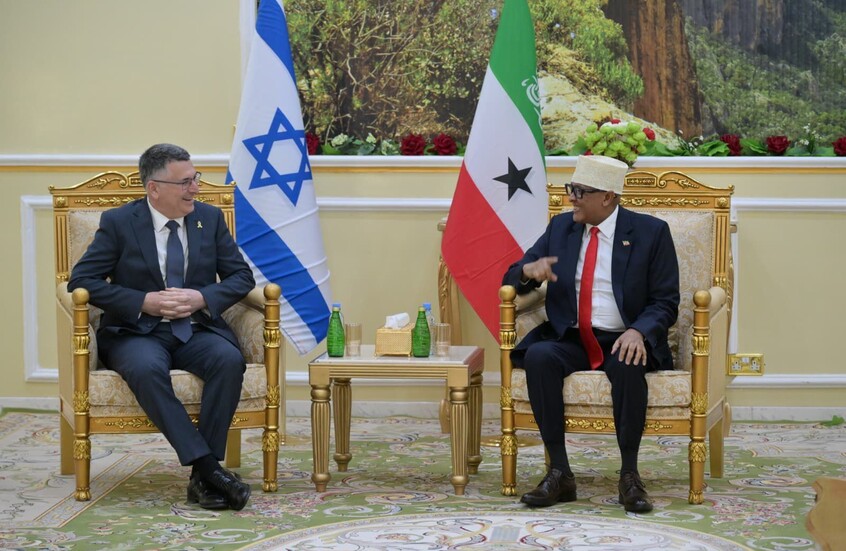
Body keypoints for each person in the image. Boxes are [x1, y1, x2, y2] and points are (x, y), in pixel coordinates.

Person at [68, 143, 256, 511]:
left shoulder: (209, 219)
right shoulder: (119, 223)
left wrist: (201, 297)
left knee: (228, 360)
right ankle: (209, 469)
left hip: (196, 328)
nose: (195, 188)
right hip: (137, 332)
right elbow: (82, 281)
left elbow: (241, 277)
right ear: (154, 188)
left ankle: (202, 478)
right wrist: (143, 301)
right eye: (185, 182)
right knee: (145, 368)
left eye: (195, 178)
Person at [502, 154, 679, 513]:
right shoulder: (561, 228)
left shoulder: (651, 233)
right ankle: (560, 473)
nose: (572, 198)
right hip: (572, 337)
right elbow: (512, 276)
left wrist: (639, 331)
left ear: (608, 197)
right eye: (572, 189)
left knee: (629, 362)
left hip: (622, 337)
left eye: (581, 191)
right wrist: (527, 272)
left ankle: (629, 476)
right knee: (539, 356)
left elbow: (666, 301)